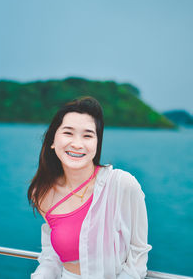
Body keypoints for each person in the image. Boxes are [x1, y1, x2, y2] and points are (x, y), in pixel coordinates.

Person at [28, 96, 152, 279]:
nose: (77, 144)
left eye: (87, 135)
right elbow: (52, 256)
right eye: (68, 133)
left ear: (96, 144)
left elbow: (138, 258)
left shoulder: (122, 184)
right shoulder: (43, 194)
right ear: (52, 141)